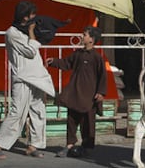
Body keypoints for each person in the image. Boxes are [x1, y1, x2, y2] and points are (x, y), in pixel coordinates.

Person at [0, 1, 55, 159]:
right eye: (31, 14)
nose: (34, 17)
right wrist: (32, 33)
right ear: (24, 16)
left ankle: (34, 145)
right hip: (23, 77)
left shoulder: (25, 31)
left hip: (37, 76)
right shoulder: (12, 33)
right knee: (17, 112)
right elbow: (30, 51)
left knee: (38, 110)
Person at [46, 26, 107, 158]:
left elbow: (103, 76)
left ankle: (87, 146)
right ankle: (69, 145)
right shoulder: (78, 54)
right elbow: (67, 63)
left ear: (91, 39)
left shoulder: (97, 57)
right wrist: (54, 62)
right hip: (75, 92)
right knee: (72, 119)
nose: (82, 36)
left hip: (90, 96)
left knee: (88, 122)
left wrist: (101, 92)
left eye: (84, 35)